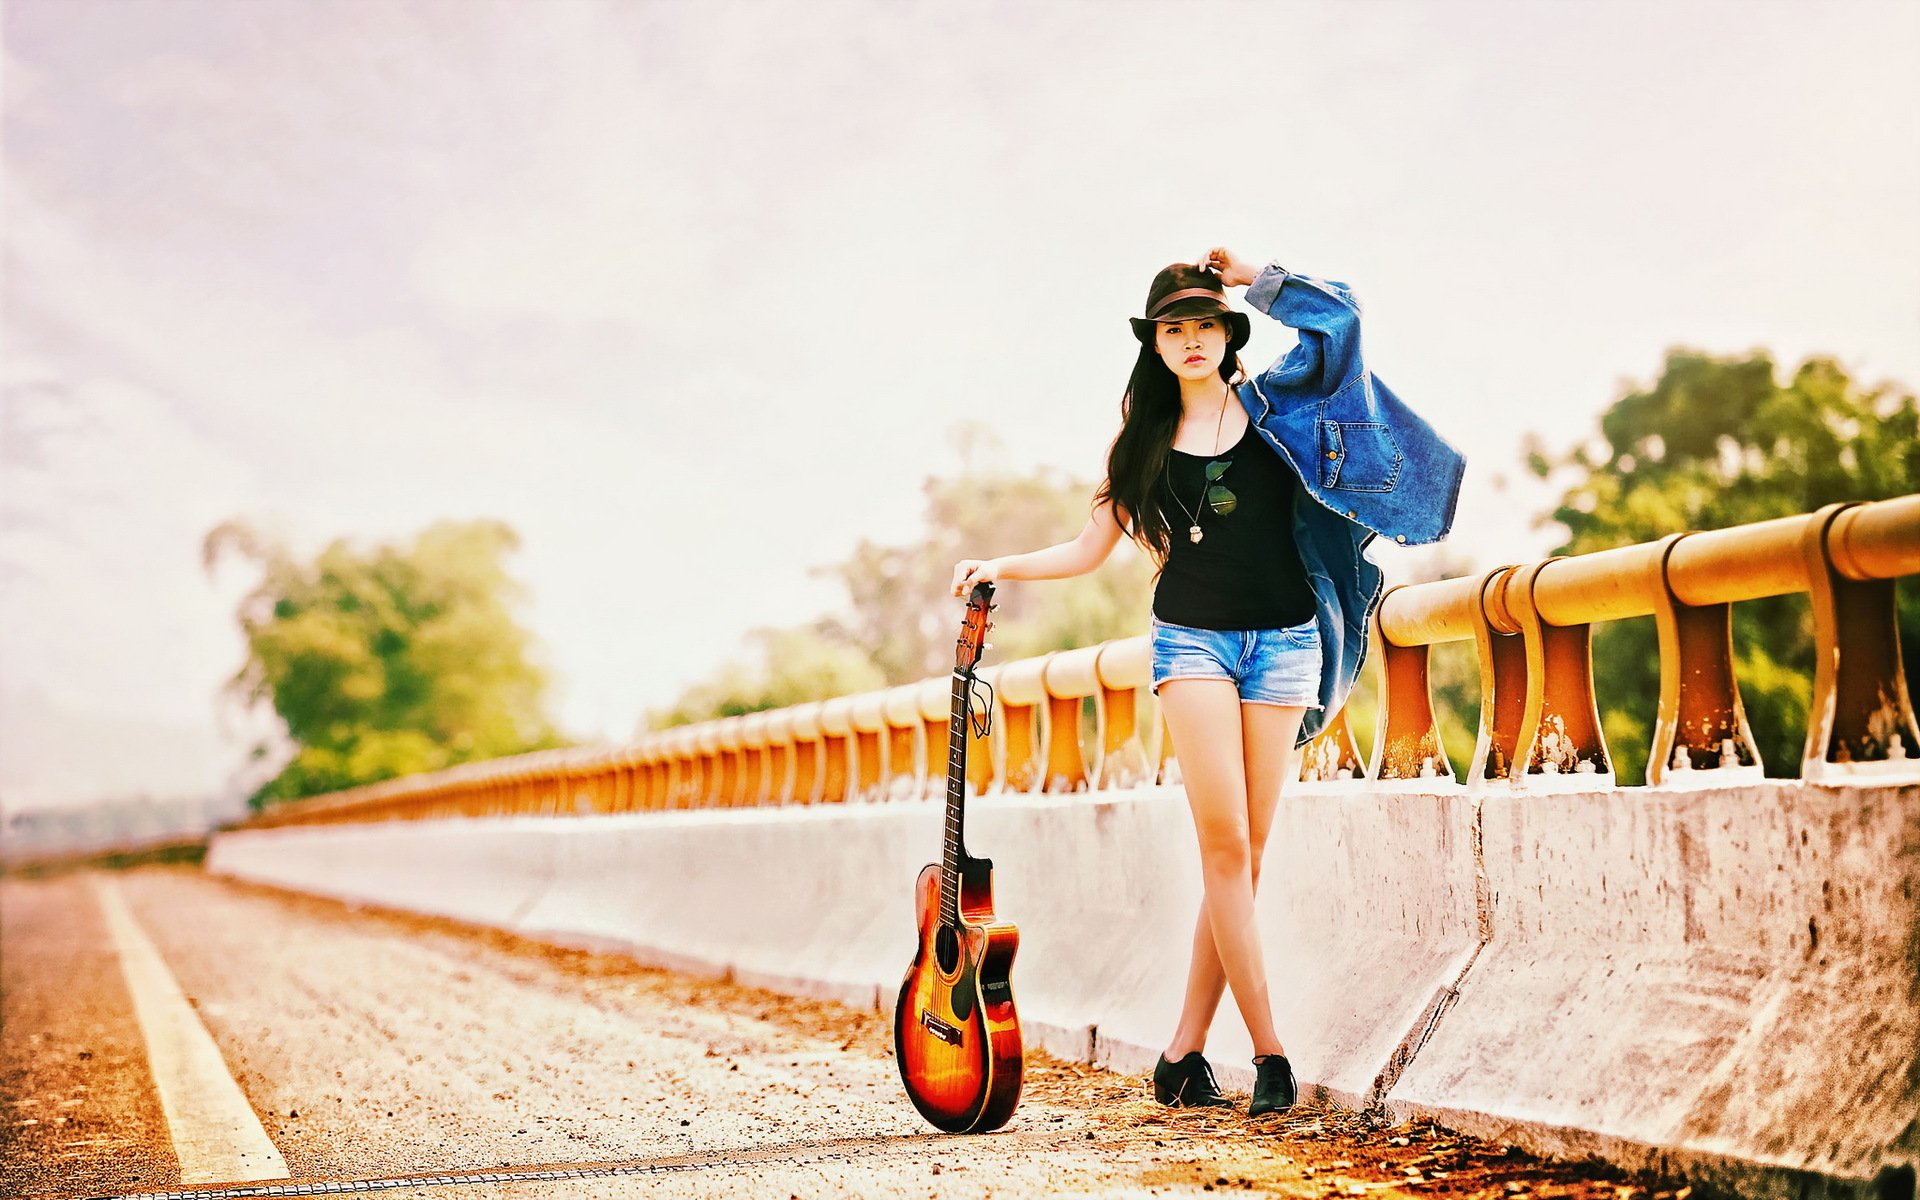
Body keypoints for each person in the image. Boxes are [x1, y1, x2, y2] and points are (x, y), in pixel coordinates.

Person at [948, 245, 1464, 1118]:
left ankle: (1180, 1054)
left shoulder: (1279, 410)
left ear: (1230, 334)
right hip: (1192, 646)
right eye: (1173, 329)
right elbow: (1086, 550)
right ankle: (1269, 1053)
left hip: (1289, 642)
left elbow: (1343, 322)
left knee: (1246, 860)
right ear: (1153, 346)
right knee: (1224, 848)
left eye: (1205, 325)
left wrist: (1254, 275)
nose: (1191, 341)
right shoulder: (1142, 443)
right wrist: (997, 564)